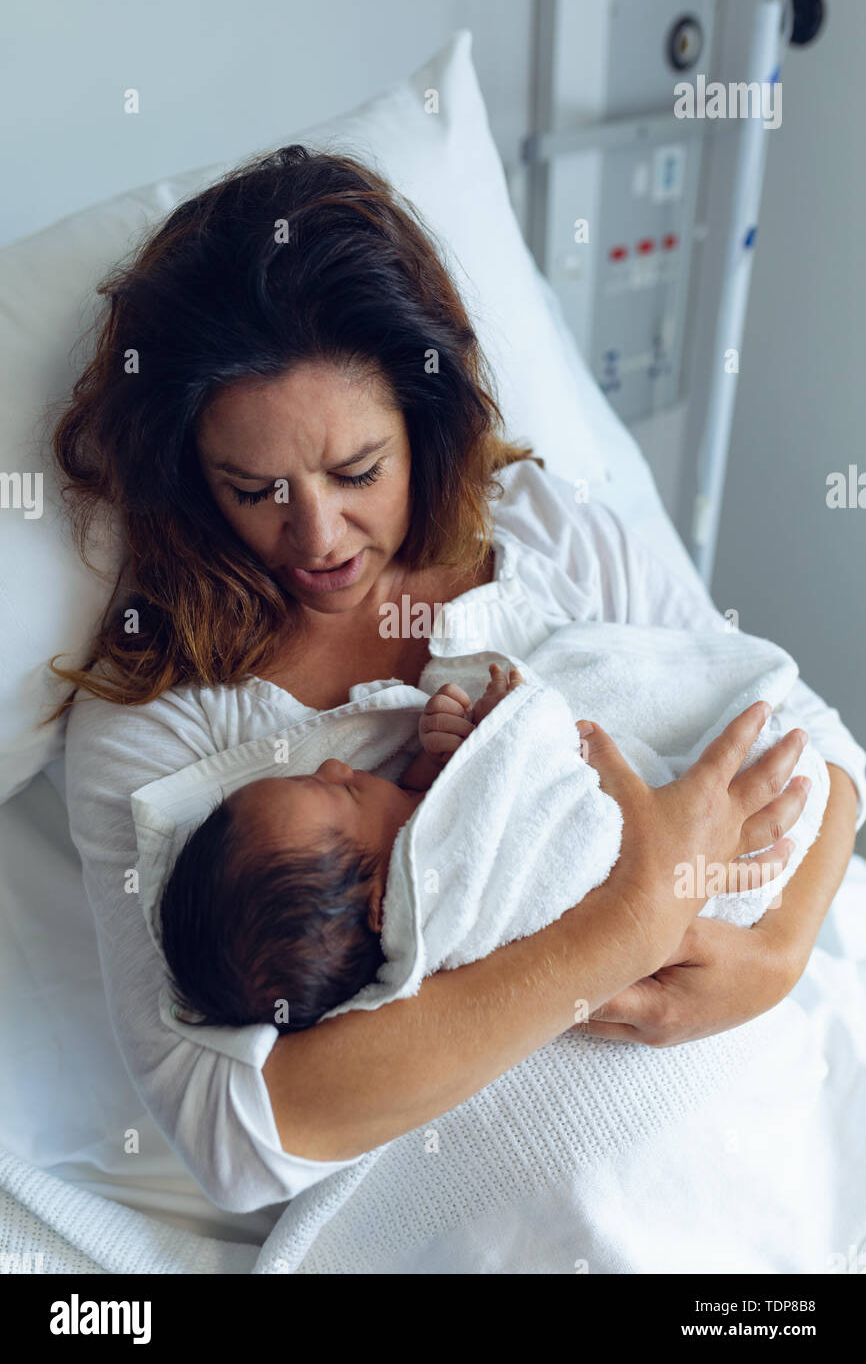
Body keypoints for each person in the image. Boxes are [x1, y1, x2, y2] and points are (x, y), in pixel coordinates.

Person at [52, 145, 864, 1222]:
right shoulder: (156, 724)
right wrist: (622, 925)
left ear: (423, 426)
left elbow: (809, 738)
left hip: (779, 1098)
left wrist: (774, 948)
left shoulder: (546, 532)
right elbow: (241, 1136)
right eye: (255, 490)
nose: (317, 534)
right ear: (188, 479)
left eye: (357, 472)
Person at [158, 666, 523, 1031]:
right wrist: (510, 732)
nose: (334, 765)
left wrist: (442, 737)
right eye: (341, 791)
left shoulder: (402, 817)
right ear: (383, 905)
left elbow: (429, 787)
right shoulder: (455, 887)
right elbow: (526, 810)